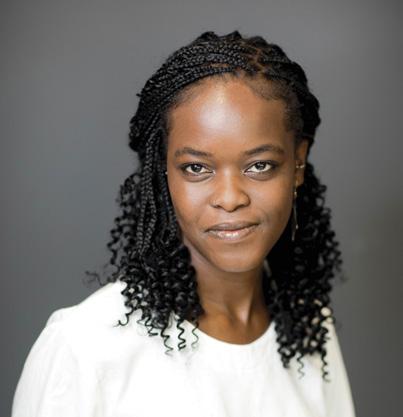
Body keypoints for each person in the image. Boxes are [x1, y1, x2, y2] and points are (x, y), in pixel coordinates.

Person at [11, 30, 356, 417]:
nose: (230, 197)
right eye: (196, 168)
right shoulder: (85, 348)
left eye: (259, 165)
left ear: (298, 164)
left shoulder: (309, 327)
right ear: (163, 173)